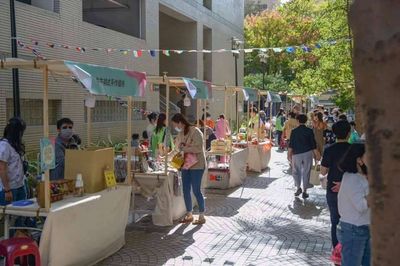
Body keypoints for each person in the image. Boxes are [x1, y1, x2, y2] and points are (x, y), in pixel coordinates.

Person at [320, 120, 351, 251]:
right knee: (350, 221)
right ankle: (349, 248)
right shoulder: (355, 150)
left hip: (332, 188)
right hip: (351, 190)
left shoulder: (329, 150)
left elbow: (323, 171)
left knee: (335, 221)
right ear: (349, 133)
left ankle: (337, 251)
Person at [337, 143, 370, 266]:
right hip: (354, 230)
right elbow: (361, 206)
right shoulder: (352, 178)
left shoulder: (362, 177)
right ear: (359, 160)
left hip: (364, 227)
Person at [171, 114, 206, 225]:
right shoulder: (180, 134)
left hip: (197, 165)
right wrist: (166, 156)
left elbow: (199, 148)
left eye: (175, 124)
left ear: (180, 122)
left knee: (196, 190)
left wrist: (185, 148)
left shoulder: (195, 131)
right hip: (185, 165)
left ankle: (201, 215)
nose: (175, 127)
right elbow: (176, 148)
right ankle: (189, 214)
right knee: (185, 190)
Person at [288, 114, 321, 199]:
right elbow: (313, 143)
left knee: (296, 171)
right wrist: (317, 154)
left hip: (296, 153)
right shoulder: (309, 131)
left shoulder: (294, 131)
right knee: (307, 171)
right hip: (307, 152)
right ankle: (305, 191)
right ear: (306, 121)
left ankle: (298, 187)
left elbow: (291, 144)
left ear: (298, 121)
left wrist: (289, 154)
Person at [0, 117, 27, 205]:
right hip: (9, 188)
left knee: (21, 214)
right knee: (9, 215)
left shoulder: (15, 145)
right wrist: (7, 190)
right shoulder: (4, 145)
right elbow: (2, 169)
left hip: (20, 185)